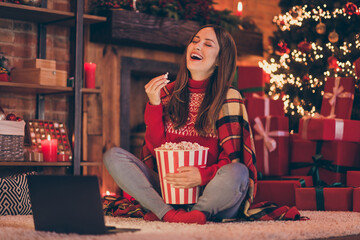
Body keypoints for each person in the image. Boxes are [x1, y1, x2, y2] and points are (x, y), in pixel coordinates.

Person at [103, 24, 257, 224]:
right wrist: (154, 103)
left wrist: (202, 176)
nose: (197, 46)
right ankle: (167, 213)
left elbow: (233, 159)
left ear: (220, 60)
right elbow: (155, 149)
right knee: (113, 156)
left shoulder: (229, 97)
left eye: (208, 44)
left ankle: (197, 213)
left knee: (239, 172)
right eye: (195, 41)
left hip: (212, 193)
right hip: (168, 190)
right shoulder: (167, 93)